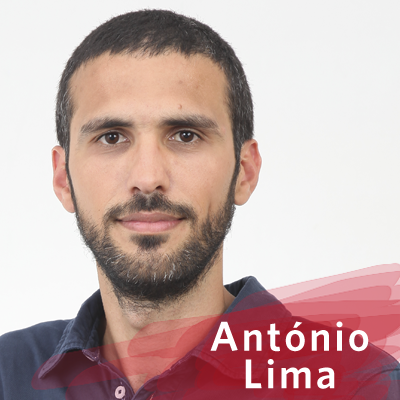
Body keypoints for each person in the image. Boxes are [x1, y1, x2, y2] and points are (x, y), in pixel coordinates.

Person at [0, 9, 398, 400]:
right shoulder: (7, 374)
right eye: (111, 137)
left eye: (185, 135)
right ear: (63, 178)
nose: (147, 177)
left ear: (244, 171)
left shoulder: (360, 387)